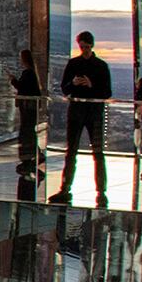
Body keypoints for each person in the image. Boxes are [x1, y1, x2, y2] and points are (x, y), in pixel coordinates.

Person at [51, 30, 113, 205]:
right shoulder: (75, 64)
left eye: (86, 47)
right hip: (79, 112)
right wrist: (74, 84)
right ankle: (67, 188)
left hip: (91, 113)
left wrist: (90, 85)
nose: (84, 50)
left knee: (97, 153)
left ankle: (100, 190)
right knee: (72, 151)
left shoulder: (101, 66)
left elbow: (107, 92)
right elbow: (64, 88)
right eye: (82, 47)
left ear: (91, 45)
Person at [8, 47, 44, 174]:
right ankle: (35, 155)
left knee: (26, 132)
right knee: (29, 131)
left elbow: (22, 88)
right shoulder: (33, 73)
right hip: (30, 108)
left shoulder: (28, 73)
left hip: (27, 108)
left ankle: (29, 157)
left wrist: (13, 80)